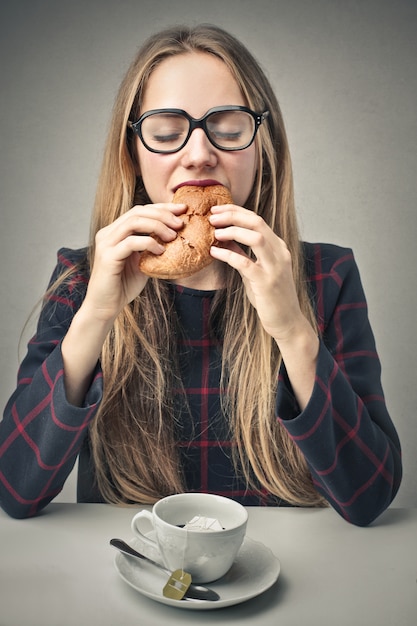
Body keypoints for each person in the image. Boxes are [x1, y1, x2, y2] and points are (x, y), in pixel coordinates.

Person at [0, 24, 401, 525]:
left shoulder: (327, 276)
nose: (198, 154)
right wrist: (97, 314)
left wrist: (294, 331)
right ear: (133, 153)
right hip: (132, 577)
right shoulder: (85, 277)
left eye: (228, 128)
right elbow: (15, 488)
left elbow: (370, 496)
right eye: (166, 133)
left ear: (262, 146)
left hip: (289, 577)